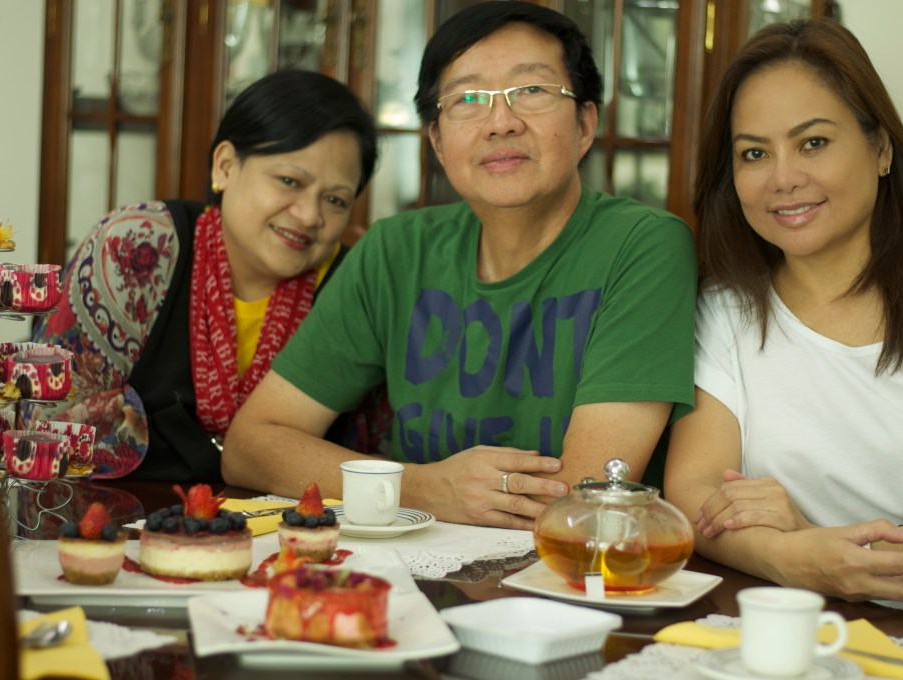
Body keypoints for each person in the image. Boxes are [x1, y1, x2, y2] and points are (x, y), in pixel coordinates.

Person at [222, 1, 697, 529]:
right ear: (438, 142)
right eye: (468, 98)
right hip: (398, 568)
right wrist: (421, 486)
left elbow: (581, 501)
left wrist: (396, 490)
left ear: (585, 123)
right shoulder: (396, 250)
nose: (501, 122)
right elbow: (249, 446)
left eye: (532, 91)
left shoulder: (643, 246)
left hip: (566, 582)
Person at [664, 18, 903, 617]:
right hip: (762, 627)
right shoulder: (722, 311)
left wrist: (828, 546)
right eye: (754, 153)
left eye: (813, 142)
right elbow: (693, 498)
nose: (784, 178)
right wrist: (797, 555)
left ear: (881, 147)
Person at [30, 70, 380, 481]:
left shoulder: (355, 284)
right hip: (112, 522)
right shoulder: (138, 245)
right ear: (226, 165)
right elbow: (49, 417)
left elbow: (369, 455)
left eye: (336, 200)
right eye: (289, 180)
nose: (309, 215)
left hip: (292, 536)